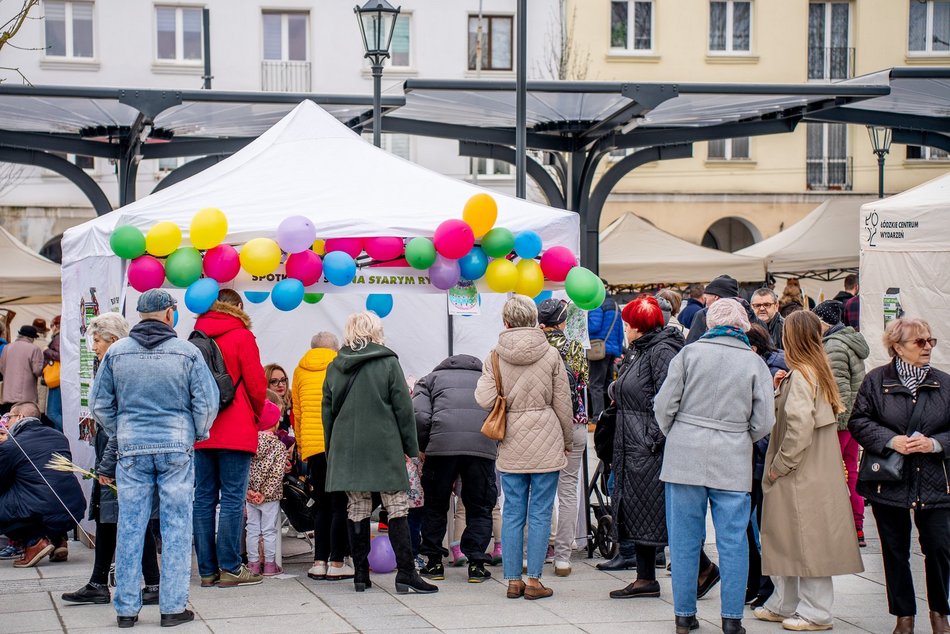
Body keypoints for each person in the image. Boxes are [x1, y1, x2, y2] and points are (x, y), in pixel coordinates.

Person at [90, 289, 219, 627]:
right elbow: (207, 401)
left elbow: (99, 404)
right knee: (176, 526)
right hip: (176, 445)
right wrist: (196, 433)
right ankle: (172, 607)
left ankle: (126, 609)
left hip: (132, 447)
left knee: (131, 525)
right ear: (168, 313)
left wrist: (123, 430)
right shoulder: (186, 352)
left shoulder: (116, 353)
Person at [654, 299, 775, 634]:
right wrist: (740, 435)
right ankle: (732, 619)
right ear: (742, 327)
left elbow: (664, 407)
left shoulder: (688, 355)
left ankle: (684, 615)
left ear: (709, 323)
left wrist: (679, 432)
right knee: (733, 541)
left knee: (683, 540)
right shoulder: (753, 363)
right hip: (733, 456)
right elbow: (764, 421)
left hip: (684, 455)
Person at [756, 310, 864, 632]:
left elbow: (799, 427)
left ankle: (815, 611)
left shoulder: (803, 373)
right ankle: (785, 603)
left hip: (801, 471)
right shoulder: (811, 370)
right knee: (789, 539)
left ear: (792, 337)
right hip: (808, 470)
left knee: (807, 541)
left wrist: (779, 466)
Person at [323, 311, 437, 595]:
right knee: (397, 506)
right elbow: (403, 409)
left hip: (347, 446)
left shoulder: (335, 365)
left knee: (357, 508)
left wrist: (332, 449)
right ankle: (406, 574)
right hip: (384, 445)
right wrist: (411, 448)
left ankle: (361, 575)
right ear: (376, 331)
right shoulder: (388, 362)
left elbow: (328, 412)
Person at [849, 318, 950, 634]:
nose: (927, 347)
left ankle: (939, 614)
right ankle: (903, 616)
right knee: (894, 549)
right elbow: (859, 421)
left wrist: (935, 444)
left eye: (929, 341)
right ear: (896, 346)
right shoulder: (876, 381)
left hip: (936, 479)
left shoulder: (944, 383)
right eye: (918, 342)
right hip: (890, 479)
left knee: (939, 547)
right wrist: (891, 440)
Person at [475, 295, 573, 601]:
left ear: (505, 322)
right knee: (542, 512)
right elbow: (563, 403)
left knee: (513, 511)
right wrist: (566, 441)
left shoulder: (494, 356)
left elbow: (482, 398)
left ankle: (512, 581)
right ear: (533, 320)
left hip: (512, 438)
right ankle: (534, 581)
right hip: (547, 434)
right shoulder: (551, 354)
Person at [62, 313, 161, 606]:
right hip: (115, 447)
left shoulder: (119, 366)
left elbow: (119, 419)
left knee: (127, 515)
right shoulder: (112, 363)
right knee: (112, 517)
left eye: (96, 340)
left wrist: (107, 462)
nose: (93, 345)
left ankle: (149, 583)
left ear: (114, 340)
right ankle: (101, 582)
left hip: (119, 450)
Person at [606, 295, 684, 599]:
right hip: (633, 443)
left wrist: (652, 437)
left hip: (648, 445)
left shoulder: (661, 351)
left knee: (654, 513)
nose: (624, 329)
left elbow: (668, 398)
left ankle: (702, 568)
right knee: (639, 511)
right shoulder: (640, 350)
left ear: (639, 326)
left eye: (628, 324)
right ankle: (644, 577)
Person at [192, 288, 268, 589]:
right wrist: (255, 413)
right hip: (235, 428)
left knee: (204, 499)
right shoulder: (242, 336)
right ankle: (231, 567)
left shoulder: (195, 337)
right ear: (237, 306)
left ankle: (207, 571)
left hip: (203, 428)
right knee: (233, 499)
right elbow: (256, 385)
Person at [413, 353, 496, 583]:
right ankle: (477, 565)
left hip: (441, 448)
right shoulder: (488, 379)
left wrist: (424, 445)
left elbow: (420, 417)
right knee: (480, 506)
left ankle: (433, 564)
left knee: (435, 505)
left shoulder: (429, 379)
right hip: (481, 447)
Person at [291, 332, 353, 582]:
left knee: (320, 504)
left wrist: (303, 446)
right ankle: (337, 562)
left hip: (313, 447)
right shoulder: (341, 366)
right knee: (339, 504)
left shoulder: (299, 370)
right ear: (335, 348)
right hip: (337, 444)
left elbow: (297, 411)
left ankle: (318, 562)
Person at [537, 298, 588, 577]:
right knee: (568, 491)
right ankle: (563, 558)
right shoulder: (575, 347)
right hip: (575, 422)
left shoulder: (536, 347)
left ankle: (534, 550)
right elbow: (583, 383)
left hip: (543, 425)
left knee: (539, 491)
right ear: (563, 321)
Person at [0, 401, 86, 568]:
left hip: (42, 508)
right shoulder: (59, 436)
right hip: (73, 509)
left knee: (22, 500)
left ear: (20, 417)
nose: (6, 422)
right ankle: (59, 539)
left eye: (8, 417)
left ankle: (34, 542)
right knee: (41, 491)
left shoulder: (13, 445)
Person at [813, 300, 869, 546]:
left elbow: (840, 391)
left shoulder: (834, 346)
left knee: (837, 474)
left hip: (841, 423)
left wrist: (834, 423)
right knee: (852, 473)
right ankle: (857, 526)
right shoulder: (849, 341)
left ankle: (844, 528)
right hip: (853, 420)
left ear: (823, 323)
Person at [744, 323, 788, 607]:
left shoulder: (773, 371)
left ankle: (767, 586)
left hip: (761, 460)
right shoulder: (761, 366)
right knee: (747, 527)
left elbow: (766, 423)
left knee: (760, 528)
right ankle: (754, 584)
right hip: (750, 460)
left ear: (753, 348)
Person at [245, 400, 287, 577]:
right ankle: (270, 564)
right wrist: (265, 493)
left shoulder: (248, 442)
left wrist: (249, 491)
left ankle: (253, 563)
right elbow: (277, 474)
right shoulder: (279, 446)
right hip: (269, 497)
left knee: (252, 529)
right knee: (269, 530)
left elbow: (243, 468)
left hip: (250, 496)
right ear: (275, 423)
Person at [587, 291, 623, 420]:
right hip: (611, 349)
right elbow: (620, 332)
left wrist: (584, 322)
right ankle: (609, 414)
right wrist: (618, 351)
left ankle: (598, 416)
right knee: (608, 383)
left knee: (595, 384)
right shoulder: (615, 305)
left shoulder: (596, 304)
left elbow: (594, 326)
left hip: (598, 349)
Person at [0, 325, 44, 414]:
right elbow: (37, 371)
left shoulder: (7, 347)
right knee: (22, 419)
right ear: (32, 338)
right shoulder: (35, 349)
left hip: (8, 393)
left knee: (9, 418)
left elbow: (2, 368)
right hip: (26, 395)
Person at [685, 274, 740, 344]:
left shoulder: (704, 314)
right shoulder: (744, 313)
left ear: (715, 297)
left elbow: (692, 343)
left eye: (706, 298)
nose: (706, 302)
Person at [43, 316, 62, 433]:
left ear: (56, 326)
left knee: (52, 413)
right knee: (57, 412)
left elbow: (60, 356)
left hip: (56, 379)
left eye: (51, 325)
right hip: (58, 379)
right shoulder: (62, 337)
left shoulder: (58, 338)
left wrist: (46, 350)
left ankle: (71, 431)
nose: (51, 329)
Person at [264, 363, 293, 433]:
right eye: (274, 381)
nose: (280, 385)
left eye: (283, 380)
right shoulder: (261, 410)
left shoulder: (295, 402)